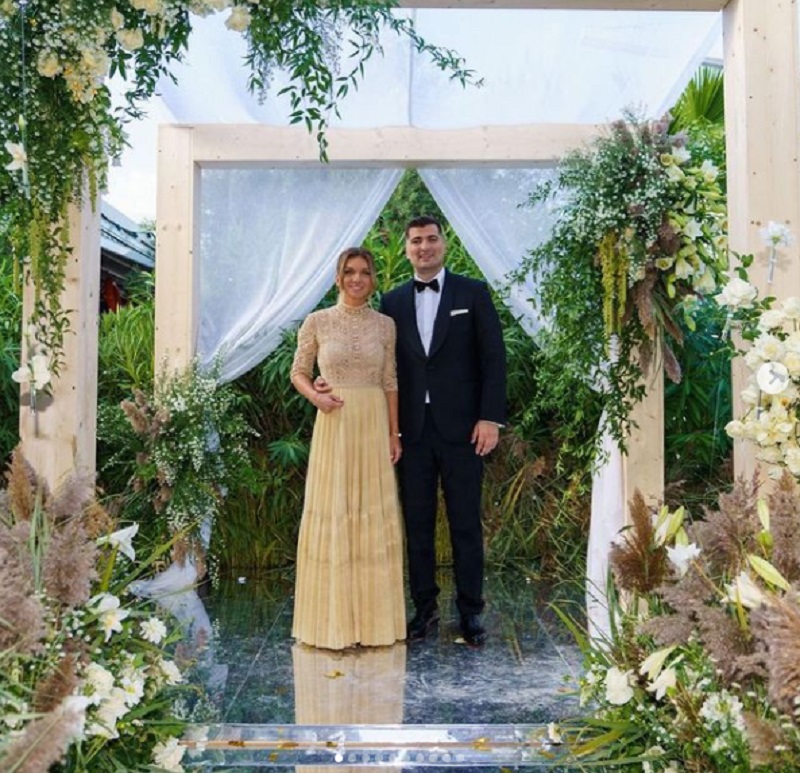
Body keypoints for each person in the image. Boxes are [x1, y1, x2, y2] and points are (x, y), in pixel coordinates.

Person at [380, 216, 506, 647]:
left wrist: (490, 418)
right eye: (416, 241)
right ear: (406, 249)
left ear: (444, 244)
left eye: (431, 239)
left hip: (464, 430)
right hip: (412, 432)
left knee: (465, 523)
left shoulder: (473, 293)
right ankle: (425, 610)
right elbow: (382, 365)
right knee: (417, 525)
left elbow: (493, 359)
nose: (424, 247)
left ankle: (470, 612)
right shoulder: (392, 301)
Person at [290, 247, 406, 651]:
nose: (358, 278)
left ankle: (375, 625)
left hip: (373, 424)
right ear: (338, 277)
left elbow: (390, 381)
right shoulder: (317, 321)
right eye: (350, 271)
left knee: (373, 514)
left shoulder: (386, 325)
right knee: (335, 511)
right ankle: (331, 624)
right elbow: (299, 372)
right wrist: (316, 397)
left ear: (373, 279)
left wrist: (394, 433)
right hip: (335, 423)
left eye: (365, 272)